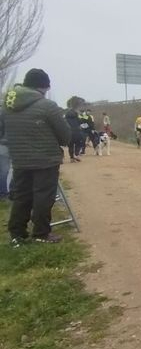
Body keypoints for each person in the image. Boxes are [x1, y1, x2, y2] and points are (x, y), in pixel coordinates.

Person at [0, 68, 71, 246]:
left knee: (21, 196)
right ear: (43, 87)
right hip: (45, 160)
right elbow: (65, 137)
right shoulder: (47, 106)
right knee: (43, 197)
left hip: (19, 160)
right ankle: (41, 233)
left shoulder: (7, 106)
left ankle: (17, 234)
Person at [64, 96, 86, 163]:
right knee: (79, 143)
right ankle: (76, 154)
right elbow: (80, 122)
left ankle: (71, 158)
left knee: (70, 145)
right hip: (77, 131)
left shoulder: (66, 115)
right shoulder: (77, 115)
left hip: (69, 132)